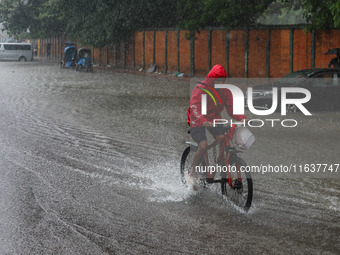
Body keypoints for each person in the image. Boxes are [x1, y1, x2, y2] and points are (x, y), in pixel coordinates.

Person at [187, 64, 247, 190]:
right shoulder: (201, 88)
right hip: (198, 119)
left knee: (224, 141)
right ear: (211, 79)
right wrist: (203, 121)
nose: (220, 82)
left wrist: (241, 118)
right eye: (217, 80)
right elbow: (194, 108)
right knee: (203, 145)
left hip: (214, 118)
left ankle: (223, 169)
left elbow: (232, 108)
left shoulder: (225, 91)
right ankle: (192, 173)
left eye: (222, 80)